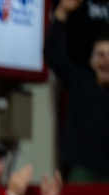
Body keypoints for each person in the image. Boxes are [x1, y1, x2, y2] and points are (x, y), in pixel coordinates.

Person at [46, 0, 109, 181]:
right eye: (100, 55)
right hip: (82, 171)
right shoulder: (79, 80)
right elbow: (52, 52)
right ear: (91, 60)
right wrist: (62, 12)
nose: (105, 61)